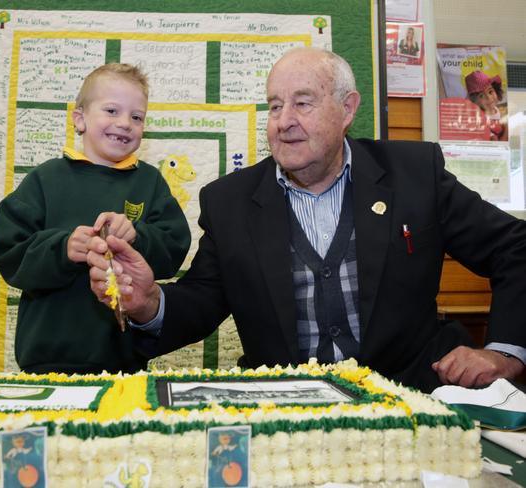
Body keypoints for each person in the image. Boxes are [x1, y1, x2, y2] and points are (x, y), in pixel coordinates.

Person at [86, 48, 526, 393]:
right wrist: (148, 304)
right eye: (275, 106)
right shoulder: (231, 202)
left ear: (347, 109)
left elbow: (514, 247)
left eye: (303, 103)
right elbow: (203, 301)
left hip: (414, 397)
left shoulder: (414, 174)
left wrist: (504, 352)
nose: (285, 122)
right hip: (287, 414)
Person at [0, 63, 190, 375]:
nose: (124, 123)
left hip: (124, 361)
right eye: (111, 111)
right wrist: (62, 248)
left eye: (136, 117)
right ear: (79, 119)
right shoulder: (45, 179)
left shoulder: (150, 182)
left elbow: (174, 246)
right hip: (46, 357)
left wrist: (137, 236)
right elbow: (7, 250)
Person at [465, 70, 508, 141]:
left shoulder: (500, 110)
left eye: (490, 91)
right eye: (481, 96)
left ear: (496, 90)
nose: (489, 98)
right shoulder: (479, 117)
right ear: (474, 101)